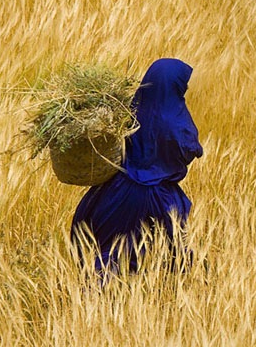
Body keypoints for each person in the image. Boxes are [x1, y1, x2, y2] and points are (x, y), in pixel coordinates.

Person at [71, 58, 203, 277]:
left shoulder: (132, 108)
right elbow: (189, 149)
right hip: (156, 197)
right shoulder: (175, 121)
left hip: (116, 190)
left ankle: (90, 302)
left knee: (110, 254)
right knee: (176, 256)